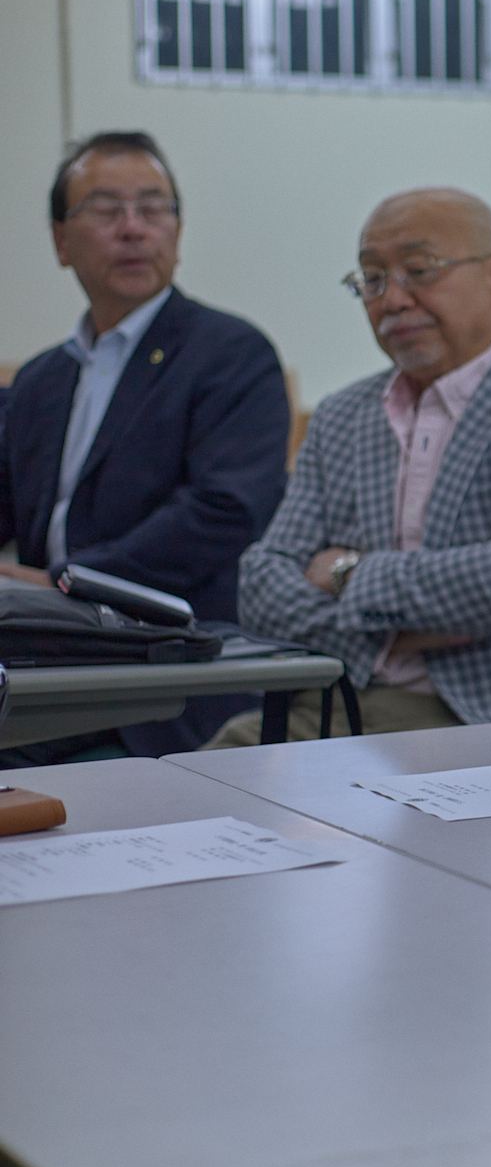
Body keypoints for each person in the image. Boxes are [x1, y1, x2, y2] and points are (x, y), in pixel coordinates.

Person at [206, 187, 491, 745]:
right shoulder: (343, 417)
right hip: (339, 703)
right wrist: (406, 634)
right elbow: (262, 588)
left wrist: (345, 573)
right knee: (191, 789)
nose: (393, 300)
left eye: (420, 270)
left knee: (217, 784)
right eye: (373, 279)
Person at [0, 131, 290, 761]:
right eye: (106, 210)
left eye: (154, 208)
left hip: (165, 681)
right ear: (59, 241)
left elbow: (224, 512)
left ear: (177, 233)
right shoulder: (40, 380)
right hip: (41, 668)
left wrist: (69, 584)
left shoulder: (232, 355)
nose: (134, 229)